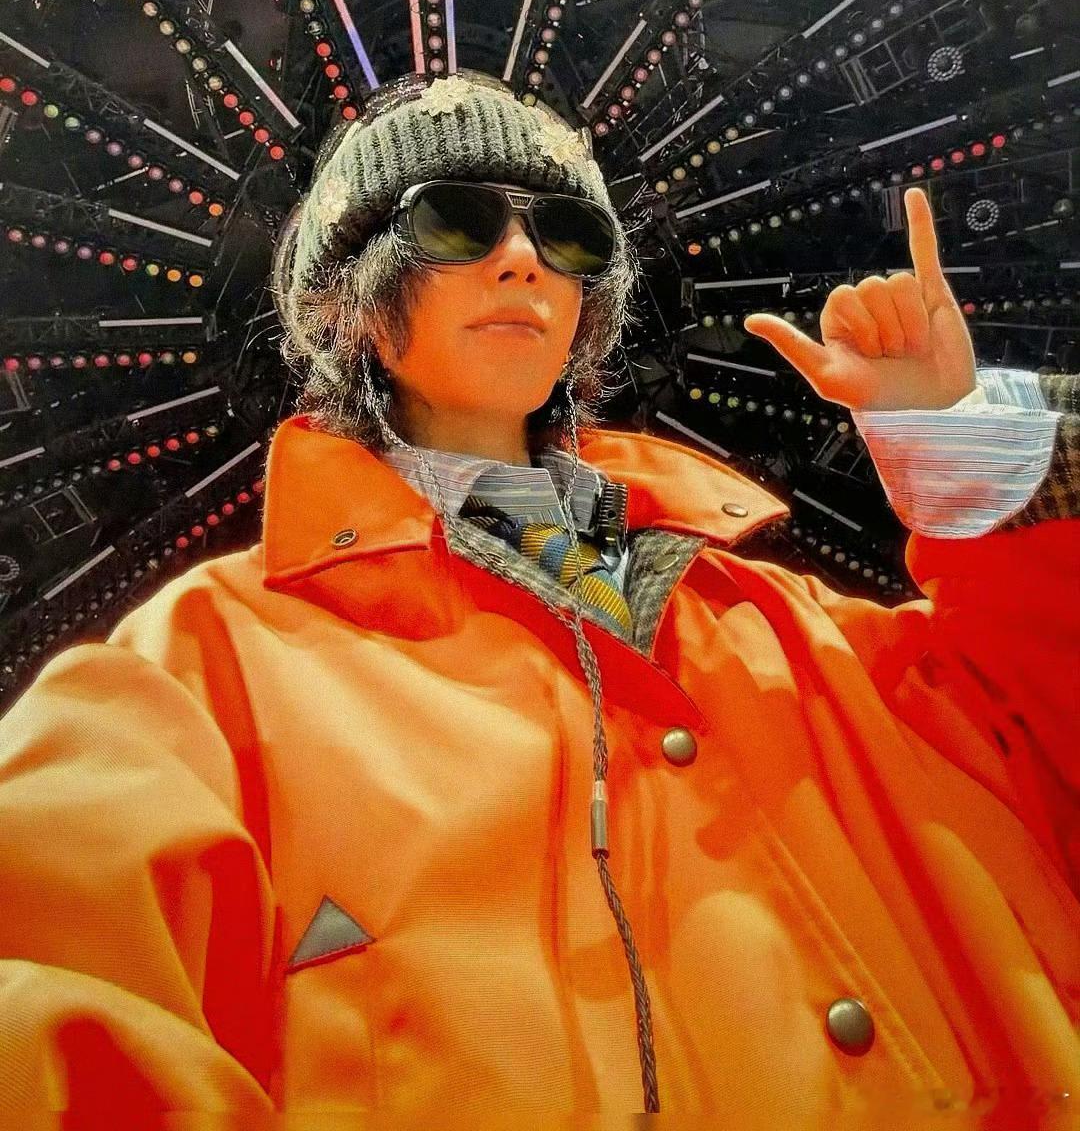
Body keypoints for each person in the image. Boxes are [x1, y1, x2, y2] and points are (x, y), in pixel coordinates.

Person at [0, 69, 1076, 1124]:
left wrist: (977, 450)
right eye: (457, 221)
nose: (521, 259)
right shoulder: (197, 672)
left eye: (568, 237)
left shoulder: (785, 623)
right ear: (351, 305)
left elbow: (1040, 741)